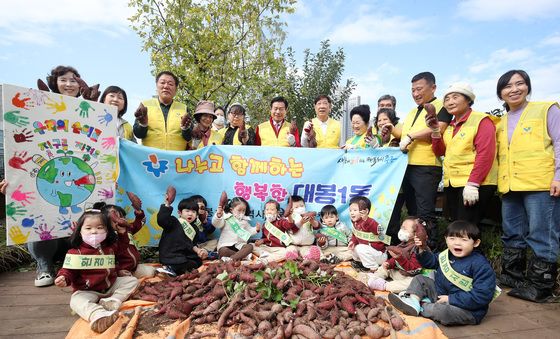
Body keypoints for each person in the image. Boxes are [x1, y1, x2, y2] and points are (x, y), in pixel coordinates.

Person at [494, 70, 560, 302]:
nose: (514, 89)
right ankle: (513, 277)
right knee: (512, 233)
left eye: (519, 84)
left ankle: (541, 286)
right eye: (507, 86)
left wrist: (558, 176)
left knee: (542, 233)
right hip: (511, 186)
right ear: (500, 93)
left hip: (540, 184)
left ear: (528, 87)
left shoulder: (546, 108)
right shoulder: (500, 121)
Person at [388, 221, 496, 326]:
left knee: (444, 312)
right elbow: (430, 262)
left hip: (467, 309)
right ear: (446, 239)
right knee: (420, 279)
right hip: (440, 294)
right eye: (452, 238)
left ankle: (420, 306)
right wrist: (422, 248)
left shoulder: (481, 265)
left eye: (463, 240)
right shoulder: (446, 254)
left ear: (476, 243)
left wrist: (451, 299)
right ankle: (413, 301)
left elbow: (482, 296)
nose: (457, 243)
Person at [54, 209, 139, 333]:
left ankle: (113, 301)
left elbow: (122, 248)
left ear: (107, 230)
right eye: (88, 228)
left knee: (132, 281)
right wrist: (63, 278)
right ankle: (98, 315)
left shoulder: (110, 247)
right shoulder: (75, 252)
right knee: (76, 300)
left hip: (111, 285)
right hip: (88, 290)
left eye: (100, 227)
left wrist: (122, 234)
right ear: (79, 231)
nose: (94, 231)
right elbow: (68, 270)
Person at [428, 82, 497, 226]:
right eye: (446, 99)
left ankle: (474, 249)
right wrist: (435, 131)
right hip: (453, 182)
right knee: (457, 224)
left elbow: (485, 154)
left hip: (475, 183)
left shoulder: (481, 120)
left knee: (467, 227)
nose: (450, 102)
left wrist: (473, 184)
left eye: (455, 97)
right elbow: (440, 151)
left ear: (468, 99)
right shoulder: (450, 126)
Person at [398, 72, 453, 249]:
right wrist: (391, 129)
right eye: (412, 90)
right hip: (408, 165)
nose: (415, 93)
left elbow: (439, 129)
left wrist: (411, 136)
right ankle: (412, 250)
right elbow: (403, 134)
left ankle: (430, 250)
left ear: (433, 87)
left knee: (425, 213)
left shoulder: (442, 106)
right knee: (412, 212)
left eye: (419, 89)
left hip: (427, 166)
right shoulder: (412, 111)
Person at [95, 201, 156, 278]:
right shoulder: (108, 238)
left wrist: (138, 211)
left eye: (123, 217)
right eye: (117, 218)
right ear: (105, 221)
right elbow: (107, 261)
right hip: (121, 271)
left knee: (152, 272)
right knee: (130, 283)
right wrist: (117, 271)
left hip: (134, 268)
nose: (122, 220)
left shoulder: (128, 229)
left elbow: (140, 223)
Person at [133, 71, 189, 150]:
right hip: (152, 158)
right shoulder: (145, 105)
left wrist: (185, 128)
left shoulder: (183, 108)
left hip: (177, 159)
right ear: (156, 86)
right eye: (162, 82)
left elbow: (189, 137)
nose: (166, 86)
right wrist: (143, 124)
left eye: (170, 84)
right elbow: (138, 134)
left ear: (176, 89)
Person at [367, 217, 426, 293]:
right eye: (401, 227)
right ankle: (375, 278)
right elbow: (394, 260)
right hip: (399, 272)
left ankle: (385, 285)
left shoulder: (418, 249)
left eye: (404, 229)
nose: (401, 230)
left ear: (415, 234)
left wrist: (399, 258)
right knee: (384, 268)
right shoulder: (403, 244)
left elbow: (413, 269)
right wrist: (389, 263)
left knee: (412, 283)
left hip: (409, 276)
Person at [157, 187, 204, 276]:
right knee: (188, 265)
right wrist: (167, 204)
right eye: (187, 211)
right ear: (179, 213)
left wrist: (199, 251)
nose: (190, 214)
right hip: (171, 256)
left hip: (183, 256)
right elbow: (161, 220)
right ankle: (169, 268)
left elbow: (192, 244)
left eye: (194, 212)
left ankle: (172, 269)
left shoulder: (195, 228)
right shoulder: (173, 222)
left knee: (197, 262)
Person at [348, 196, 388, 271]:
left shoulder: (371, 222)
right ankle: (361, 263)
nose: (352, 213)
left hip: (379, 253)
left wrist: (367, 220)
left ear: (365, 211)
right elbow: (355, 235)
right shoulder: (355, 222)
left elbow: (378, 231)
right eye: (350, 210)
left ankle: (373, 267)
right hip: (370, 252)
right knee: (353, 248)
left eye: (355, 210)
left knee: (360, 248)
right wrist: (353, 242)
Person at [212, 196, 259, 261]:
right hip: (226, 245)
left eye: (243, 211)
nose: (242, 213)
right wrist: (218, 216)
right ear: (231, 210)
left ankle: (231, 259)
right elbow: (217, 224)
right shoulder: (226, 217)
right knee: (222, 251)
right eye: (239, 210)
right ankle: (243, 257)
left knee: (250, 247)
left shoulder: (245, 221)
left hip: (240, 246)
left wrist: (256, 229)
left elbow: (249, 231)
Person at [284, 195, 322, 261]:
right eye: (296, 207)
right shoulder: (289, 218)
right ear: (290, 209)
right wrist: (301, 222)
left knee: (309, 252)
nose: (300, 208)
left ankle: (310, 258)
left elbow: (317, 226)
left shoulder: (308, 215)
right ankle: (293, 259)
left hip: (307, 245)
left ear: (305, 206)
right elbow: (291, 230)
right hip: (293, 244)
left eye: (302, 206)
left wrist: (312, 221)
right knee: (290, 250)